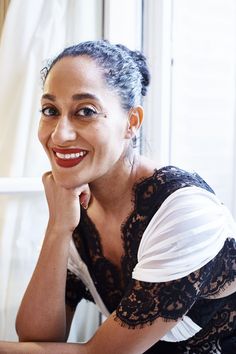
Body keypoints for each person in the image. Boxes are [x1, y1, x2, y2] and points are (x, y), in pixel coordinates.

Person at [0, 39, 236, 354]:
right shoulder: (77, 206)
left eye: (85, 111)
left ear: (131, 122)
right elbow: (38, 336)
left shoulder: (184, 211)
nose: (59, 134)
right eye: (50, 110)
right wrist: (58, 227)